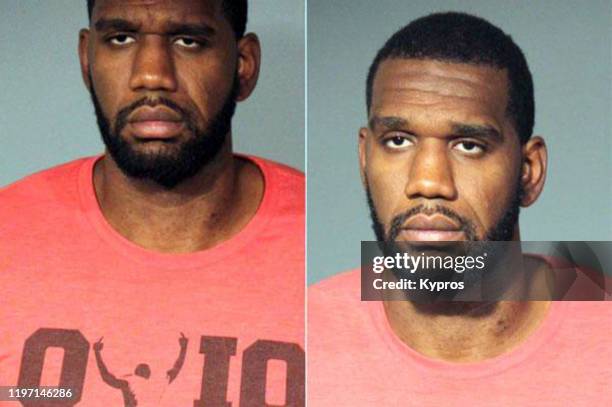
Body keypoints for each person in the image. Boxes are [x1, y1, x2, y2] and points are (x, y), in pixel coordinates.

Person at [0, 1, 304, 405]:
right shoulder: (9, 231)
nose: (151, 76)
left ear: (244, 65)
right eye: (121, 39)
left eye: (188, 41)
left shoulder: (334, 253)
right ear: (87, 60)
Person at [308, 12, 611, 405]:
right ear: (365, 161)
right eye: (398, 141)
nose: (429, 182)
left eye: (469, 145)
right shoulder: (306, 332)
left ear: (529, 172)